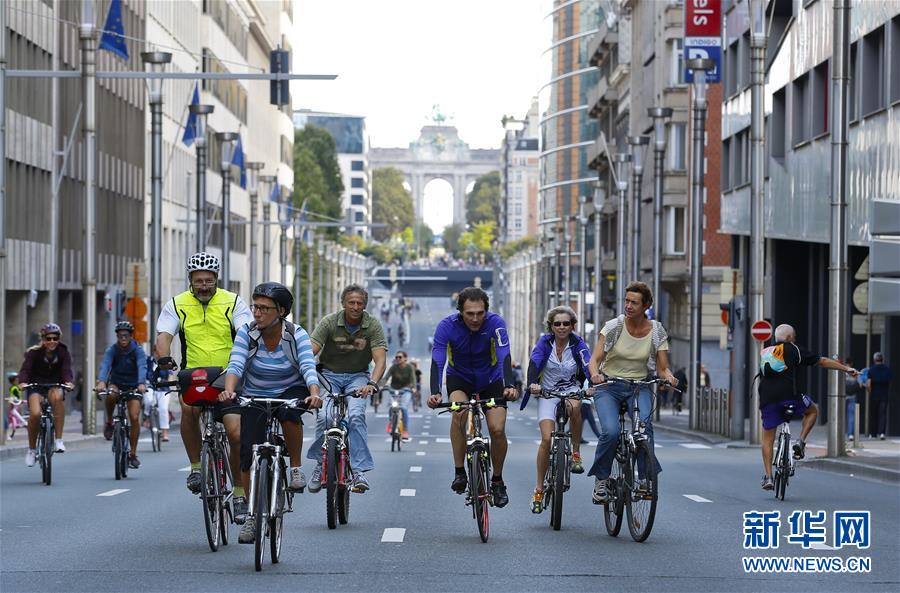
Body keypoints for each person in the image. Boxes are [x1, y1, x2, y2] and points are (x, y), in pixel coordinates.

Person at [219, 283, 322, 544]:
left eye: (264, 308)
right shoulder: (247, 332)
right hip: (254, 393)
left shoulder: (295, 333)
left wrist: (314, 392)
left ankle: (296, 468)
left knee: (289, 415)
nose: (257, 313)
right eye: (255, 307)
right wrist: (230, 390)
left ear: (282, 312)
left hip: (290, 387)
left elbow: (308, 365)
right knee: (246, 450)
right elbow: (236, 363)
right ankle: (253, 516)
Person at [155, 252, 252, 518]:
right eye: (199, 281)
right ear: (190, 280)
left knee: (235, 433)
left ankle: (241, 492)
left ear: (216, 279)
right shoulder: (177, 304)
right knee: (188, 410)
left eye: (209, 280)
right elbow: (164, 336)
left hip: (227, 374)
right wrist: (164, 357)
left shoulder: (233, 302)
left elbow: (246, 334)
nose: (204, 286)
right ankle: (197, 468)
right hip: (193, 373)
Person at [427, 286, 519, 508]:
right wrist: (435, 392)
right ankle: (460, 472)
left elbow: (504, 353)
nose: (476, 318)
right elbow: (438, 359)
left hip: (491, 379)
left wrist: (509, 385)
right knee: (459, 413)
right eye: (470, 313)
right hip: (460, 378)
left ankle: (497, 480)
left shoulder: (496, 323)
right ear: (460, 311)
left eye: (480, 313)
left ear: (486, 311)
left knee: (497, 429)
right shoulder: (446, 326)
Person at [586, 282, 677, 504]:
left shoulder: (656, 331)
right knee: (611, 431)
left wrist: (669, 377)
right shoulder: (614, 327)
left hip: (639, 385)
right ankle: (601, 480)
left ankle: (645, 480)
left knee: (645, 427)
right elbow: (594, 360)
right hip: (609, 386)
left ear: (646, 305)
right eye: (626, 301)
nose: (628, 305)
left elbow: (663, 366)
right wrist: (596, 375)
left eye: (634, 302)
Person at [307, 284, 387, 494]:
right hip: (329, 377)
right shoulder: (330, 322)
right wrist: (305, 373)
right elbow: (310, 351)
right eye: (351, 302)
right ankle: (319, 464)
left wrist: (372, 384)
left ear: (365, 305)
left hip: (358, 377)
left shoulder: (373, 326)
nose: (355, 306)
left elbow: (380, 360)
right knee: (324, 417)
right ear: (343, 304)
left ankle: (359, 471)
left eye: (360, 303)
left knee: (356, 416)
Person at [756, 323, 857, 490]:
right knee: (812, 411)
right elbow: (822, 361)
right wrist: (846, 369)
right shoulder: (794, 349)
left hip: (767, 399)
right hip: (791, 397)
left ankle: (768, 477)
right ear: (789, 338)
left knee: (767, 439)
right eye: (793, 338)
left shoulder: (767, 351)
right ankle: (800, 441)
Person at [523, 306, 592, 513]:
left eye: (566, 323)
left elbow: (588, 365)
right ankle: (539, 488)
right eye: (557, 324)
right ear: (551, 326)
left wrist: (592, 385)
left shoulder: (578, 344)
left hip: (571, 390)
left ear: (572, 326)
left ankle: (576, 452)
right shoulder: (545, 343)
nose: (562, 327)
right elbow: (534, 363)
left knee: (576, 407)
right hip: (548, 393)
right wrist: (532, 383)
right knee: (546, 440)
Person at [18, 323, 75, 466]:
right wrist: (23, 382)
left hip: (54, 385)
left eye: (55, 338)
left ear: (58, 339)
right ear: (43, 339)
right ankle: (31, 450)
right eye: (48, 338)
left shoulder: (63, 352)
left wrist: (68, 382)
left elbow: (66, 370)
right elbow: (25, 369)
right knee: (36, 414)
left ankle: (59, 440)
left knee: (57, 397)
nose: (52, 341)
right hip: (36, 386)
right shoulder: (33, 353)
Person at [96, 321, 147, 469]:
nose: (123, 338)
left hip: (134, 386)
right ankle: (110, 422)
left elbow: (141, 366)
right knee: (111, 394)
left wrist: (141, 383)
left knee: (134, 416)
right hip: (117, 383)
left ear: (131, 336)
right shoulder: (112, 350)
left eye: (126, 335)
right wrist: (101, 381)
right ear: (117, 336)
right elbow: (105, 365)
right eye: (120, 336)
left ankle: (132, 454)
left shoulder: (138, 350)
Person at [380, 351, 416, 441]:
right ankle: (391, 423)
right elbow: (386, 377)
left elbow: (413, 378)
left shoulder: (409, 368)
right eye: (396, 357)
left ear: (405, 359)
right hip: (393, 390)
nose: (398, 359)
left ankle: (405, 430)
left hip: (406, 390)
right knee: (392, 406)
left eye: (400, 357)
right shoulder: (393, 367)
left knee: (403, 408)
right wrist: (381, 385)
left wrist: (414, 387)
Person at [867, 352, 893, 440]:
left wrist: (870, 392)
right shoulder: (887, 369)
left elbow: (869, 384)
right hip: (884, 394)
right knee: (883, 414)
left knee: (873, 414)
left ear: (874, 360)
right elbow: (889, 383)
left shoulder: (871, 370)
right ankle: (882, 433)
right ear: (882, 359)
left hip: (874, 394)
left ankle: (873, 433)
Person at [843, 358, 863, 440]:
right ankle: (850, 434)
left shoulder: (842, 371)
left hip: (842, 397)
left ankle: (839, 432)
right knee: (851, 416)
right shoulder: (855, 372)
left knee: (840, 416)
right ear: (851, 363)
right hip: (853, 396)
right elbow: (861, 384)